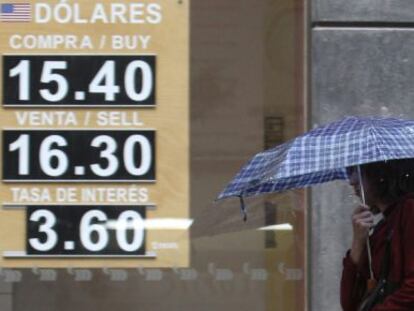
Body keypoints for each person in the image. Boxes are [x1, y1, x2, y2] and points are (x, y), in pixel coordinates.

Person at [341, 159, 414, 311]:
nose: (352, 181)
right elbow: (349, 302)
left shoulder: (409, 211)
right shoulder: (383, 228)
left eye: (358, 170)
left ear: (380, 171)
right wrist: (358, 242)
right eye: (351, 171)